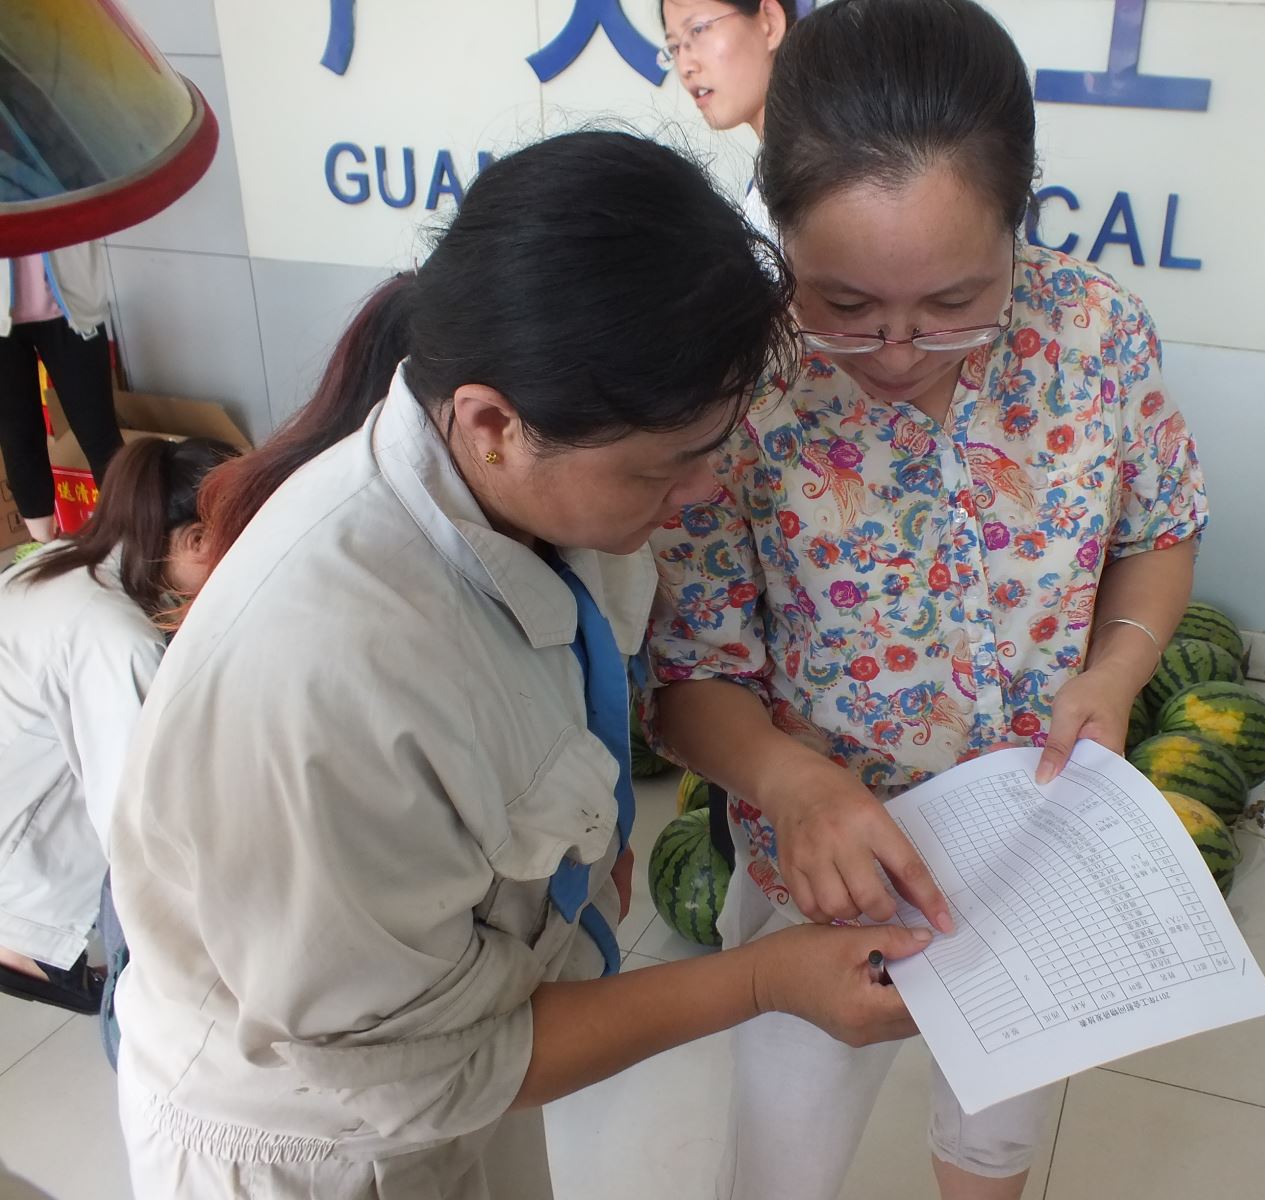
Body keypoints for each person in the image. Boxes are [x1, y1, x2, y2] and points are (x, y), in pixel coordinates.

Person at [107, 131, 929, 1200]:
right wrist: (766, 980)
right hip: (317, 1144)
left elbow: (587, 691)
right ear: (493, 423)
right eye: (668, 468)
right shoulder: (323, 687)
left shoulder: (541, 489)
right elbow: (427, 1072)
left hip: (480, 1041)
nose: (699, 493)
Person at [647, 1, 1210, 1197]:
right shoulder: (736, 386)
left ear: (1018, 218)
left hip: (1034, 847)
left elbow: (1160, 530)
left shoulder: (1093, 335)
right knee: (782, 1160)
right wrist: (795, 784)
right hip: (823, 872)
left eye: (955, 302)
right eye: (845, 307)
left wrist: (1116, 671)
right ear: (780, 225)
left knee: (993, 1141)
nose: (900, 351)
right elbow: (690, 676)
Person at [0, 435, 235, 1015]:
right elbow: (136, 817)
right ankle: (25, 946)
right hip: (18, 840)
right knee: (150, 809)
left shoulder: (64, 558)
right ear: (196, 540)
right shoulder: (113, 636)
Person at [0, 245, 124, 545]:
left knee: (100, 433)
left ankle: (130, 534)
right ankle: (43, 545)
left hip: (72, 305)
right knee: (17, 435)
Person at [659, 0, 794, 240]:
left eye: (698, 30)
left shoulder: (829, 166)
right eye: (674, 47)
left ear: (770, 23)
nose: (685, 67)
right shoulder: (765, 181)